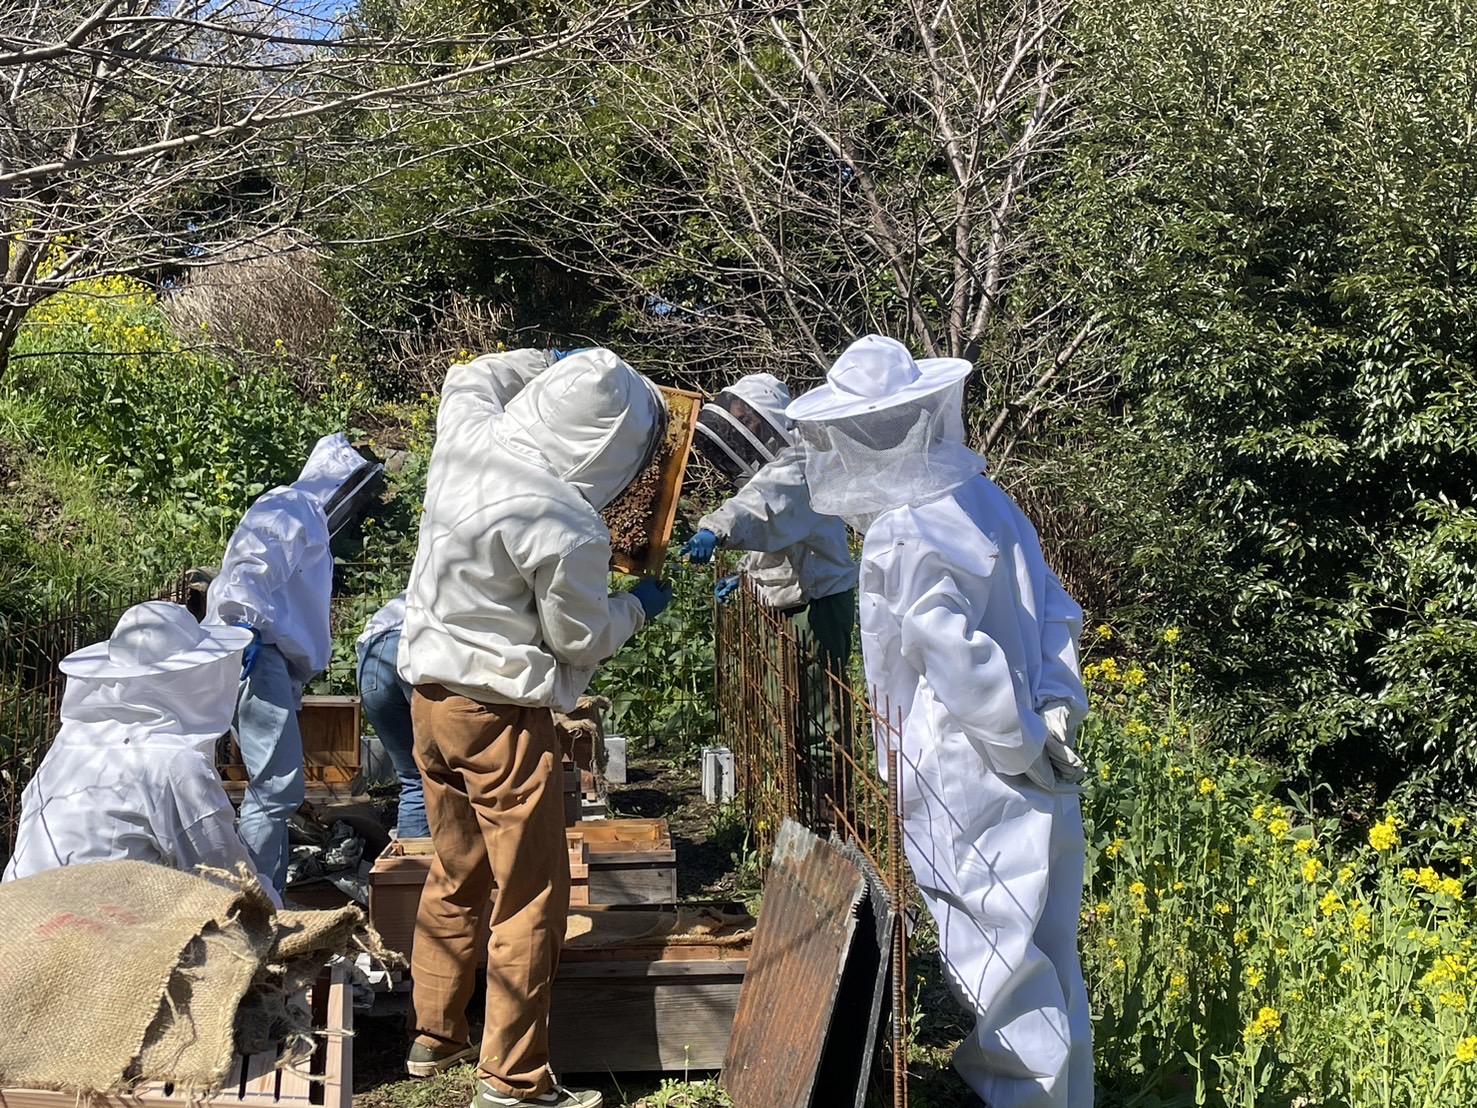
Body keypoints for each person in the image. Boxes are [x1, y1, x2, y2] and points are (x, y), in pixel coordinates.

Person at [785, 335, 1092, 1108]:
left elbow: (952, 654)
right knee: (1050, 949)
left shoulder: (903, 528)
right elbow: (1056, 611)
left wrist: (1019, 741)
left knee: (1000, 963)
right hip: (1039, 755)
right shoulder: (987, 498)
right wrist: (1056, 710)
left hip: (971, 772)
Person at [397, 347, 672, 1108]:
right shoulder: (565, 522)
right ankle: (513, 1079)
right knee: (530, 895)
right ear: (609, 446)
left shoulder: (466, 436)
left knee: (456, 869)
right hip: (498, 721)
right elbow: (578, 639)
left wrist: (546, 356)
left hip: (429, 701)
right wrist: (638, 607)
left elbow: (469, 375)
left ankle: (436, 1034)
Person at [2, 601, 281, 907]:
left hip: (18, 911)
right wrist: (278, 906)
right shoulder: (175, 763)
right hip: (95, 924)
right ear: (194, 675)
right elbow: (227, 880)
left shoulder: (70, 744)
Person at [204, 433, 383, 898]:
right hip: (256, 649)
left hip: (265, 653)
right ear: (338, 482)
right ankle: (258, 898)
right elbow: (253, 562)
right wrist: (241, 624)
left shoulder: (305, 515)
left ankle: (265, 892)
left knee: (275, 791)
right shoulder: (292, 505)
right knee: (275, 790)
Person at [681, 372, 858, 821]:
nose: (743, 432)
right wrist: (746, 575)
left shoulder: (800, 465)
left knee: (820, 720)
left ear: (767, 422)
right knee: (787, 713)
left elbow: (763, 506)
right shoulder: (780, 469)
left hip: (817, 604)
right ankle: (798, 810)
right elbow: (779, 537)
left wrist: (715, 529)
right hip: (793, 602)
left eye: (748, 422)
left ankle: (830, 817)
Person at [355, 592, 428, 839]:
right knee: (449, 773)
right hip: (418, 645)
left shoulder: (419, 584)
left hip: (372, 657)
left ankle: (411, 859)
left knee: (414, 779)